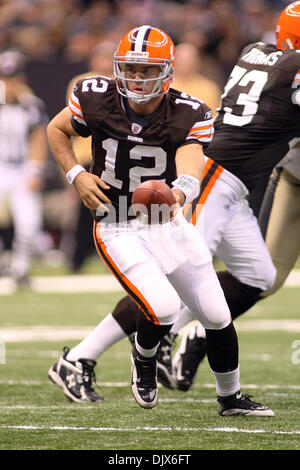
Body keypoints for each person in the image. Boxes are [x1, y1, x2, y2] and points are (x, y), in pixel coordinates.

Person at [53, 1, 300, 397]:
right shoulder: (292, 69)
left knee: (259, 276)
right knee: (167, 285)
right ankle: (82, 357)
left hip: (233, 179)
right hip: (211, 177)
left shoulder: (259, 52)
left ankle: (194, 335)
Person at [0, 49, 48, 287]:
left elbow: (39, 139)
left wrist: (35, 170)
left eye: (13, 78)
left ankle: (20, 269)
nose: (9, 84)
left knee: (28, 222)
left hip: (20, 168)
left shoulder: (31, 106)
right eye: (5, 78)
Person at [172, 42, 221, 117]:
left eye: (188, 60)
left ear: (197, 62)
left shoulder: (210, 89)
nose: (185, 64)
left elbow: (213, 118)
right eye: (181, 60)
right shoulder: (164, 86)